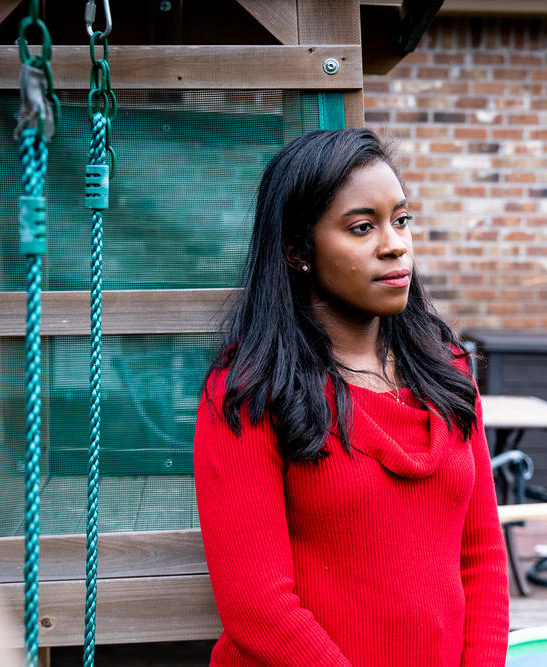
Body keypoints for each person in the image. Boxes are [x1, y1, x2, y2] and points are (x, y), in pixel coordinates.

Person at [194, 128, 509, 666]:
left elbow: (481, 558)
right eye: (362, 228)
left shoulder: (448, 373)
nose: (395, 244)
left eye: (402, 220)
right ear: (297, 251)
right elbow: (258, 608)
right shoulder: (249, 393)